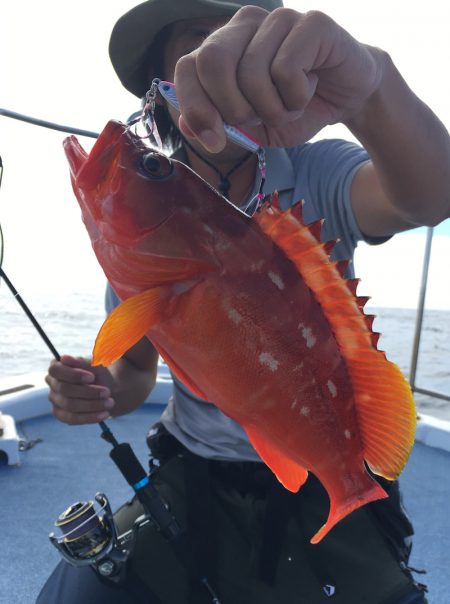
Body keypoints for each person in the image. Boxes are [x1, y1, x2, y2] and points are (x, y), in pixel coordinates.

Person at [38, 0, 450, 602]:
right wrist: (98, 390)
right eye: (196, 40)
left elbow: (431, 196)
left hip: (322, 473)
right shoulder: (142, 260)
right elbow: (132, 375)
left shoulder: (315, 172)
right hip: (192, 466)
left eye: (235, 35)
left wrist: (371, 85)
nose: (219, 52)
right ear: (163, 83)